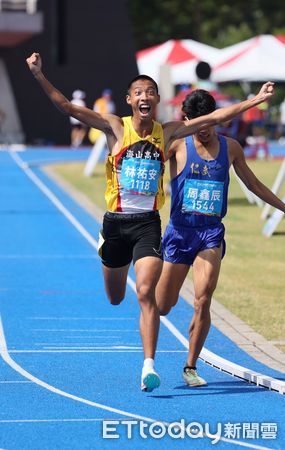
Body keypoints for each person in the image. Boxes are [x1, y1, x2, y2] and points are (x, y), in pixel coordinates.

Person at [26, 51, 274, 392]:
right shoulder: (116, 126)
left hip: (151, 224)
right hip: (119, 222)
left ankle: (157, 366)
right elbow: (68, 108)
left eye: (150, 92)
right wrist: (39, 74)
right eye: (138, 92)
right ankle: (111, 255)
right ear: (130, 100)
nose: (144, 97)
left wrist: (256, 100)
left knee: (159, 294)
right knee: (121, 298)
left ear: (157, 99)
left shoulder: (169, 133)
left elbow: (218, 115)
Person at [156, 89, 285, 387]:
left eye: (209, 124)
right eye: (197, 124)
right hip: (178, 233)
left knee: (203, 298)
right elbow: (152, 168)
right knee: (163, 305)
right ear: (186, 120)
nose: (204, 130)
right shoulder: (176, 145)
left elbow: (253, 184)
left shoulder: (231, 148)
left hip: (210, 234)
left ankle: (190, 365)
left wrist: (281, 206)